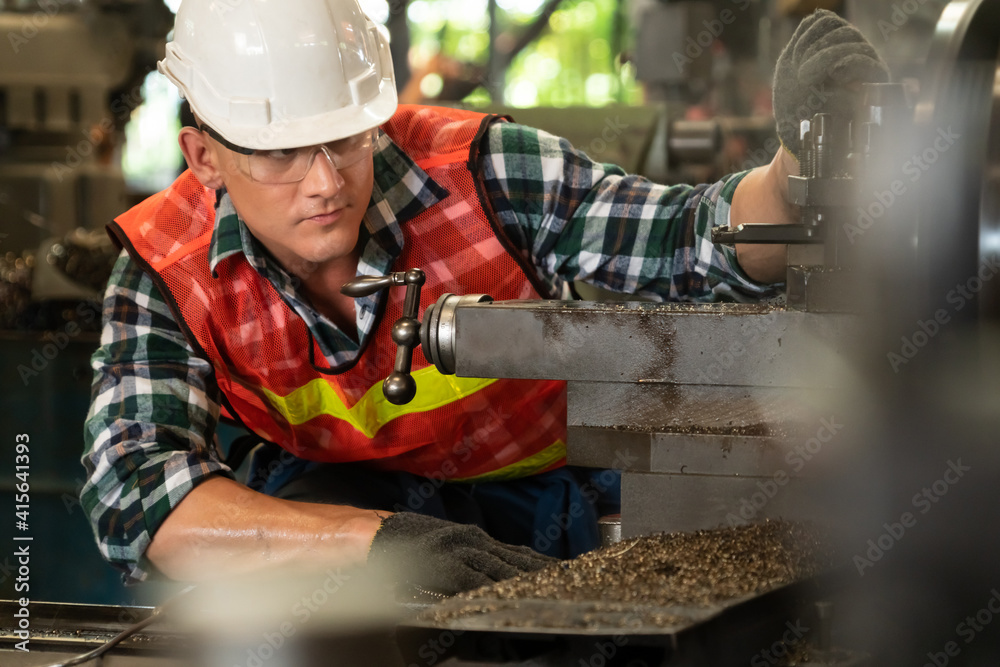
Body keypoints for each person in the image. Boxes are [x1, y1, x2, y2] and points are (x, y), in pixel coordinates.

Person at [80, 2, 887, 595]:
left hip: (548, 501)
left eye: (345, 137)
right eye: (282, 153)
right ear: (204, 155)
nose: (325, 182)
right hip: (335, 525)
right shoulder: (164, 269)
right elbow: (135, 495)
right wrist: (381, 542)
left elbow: (685, 239)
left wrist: (794, 168)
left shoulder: (486, 170)